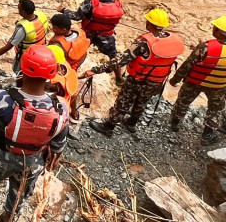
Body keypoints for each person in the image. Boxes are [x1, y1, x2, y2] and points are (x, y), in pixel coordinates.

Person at [0, 45, 68, 222]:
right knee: (21, 191)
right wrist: (53, 158)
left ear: (22, 69)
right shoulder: (61, 107)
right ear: (52, 75)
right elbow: (58, 144)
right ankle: (7, 219)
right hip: (32, 161)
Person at [84, 9, 185, 136]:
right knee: (142, 101)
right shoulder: (173, 40)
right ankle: (132, 123)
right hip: (156, 81)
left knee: (123, 102)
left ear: (150, 24)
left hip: (137, 79)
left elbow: (119, 61)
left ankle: (108, 127)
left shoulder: (143, 42)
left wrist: (95, 70)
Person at [169, 16, 226, 145]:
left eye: (215, 28)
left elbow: (187, 66)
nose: (213, 29)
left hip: (195, 82)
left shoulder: (204, 47)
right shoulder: (203, 47)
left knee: (183, 102)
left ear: (219, 32)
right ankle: (207, 135)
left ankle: (175, 124)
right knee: (215, 109)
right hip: (218, 86)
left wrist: (174, 80)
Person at [60, 0, 125, 84]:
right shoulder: (118, 4)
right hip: (106, 36)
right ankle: (119, 79)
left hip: (87, 33)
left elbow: (77, 16)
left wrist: (64, 10)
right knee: (114, 57)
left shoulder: (91, 0)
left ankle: (69, 74)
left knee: (78, 53)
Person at [0, 0, 50, 74]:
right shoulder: (42, 15)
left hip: (26, 58)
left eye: (18, 9)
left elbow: (8, 47)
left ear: (23, 12)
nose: (18, 10)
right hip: (41, 54)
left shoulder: (22, 29)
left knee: (19, 74)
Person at [47, 14, 90, 120]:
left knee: (65, 93)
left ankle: (60, 115)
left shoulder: (58, 45)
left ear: (64, 29)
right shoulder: (79, 33)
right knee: (72, 91)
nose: (53, 30)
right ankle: (74, 112)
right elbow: (84, 53)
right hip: (75, 66)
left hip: (64, 71)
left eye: (55, 28)